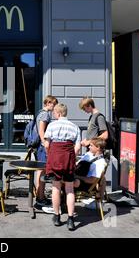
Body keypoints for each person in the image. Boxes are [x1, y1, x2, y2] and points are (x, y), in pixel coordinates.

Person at [43, 103, 81, 231]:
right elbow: (78, 147)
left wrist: (50, 155)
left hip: (55, 158)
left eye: (54, 113)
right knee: (70, 189)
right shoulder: (74, 126)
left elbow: (47, 144)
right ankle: (70, 219)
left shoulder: (52, 126)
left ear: (58, 113)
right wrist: (71, 156)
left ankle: (57, 217)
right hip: (68, 158)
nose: (53, 115)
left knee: (56, 188)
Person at [34, 95, 58, 207]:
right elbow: (41, 131)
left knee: (40, 171)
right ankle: (40, 198)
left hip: (40, 146)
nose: (54, 106)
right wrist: (45, 145)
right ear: (48, 103)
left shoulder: (40, 112)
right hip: (42, 147)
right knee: (42, 171)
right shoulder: (44, 114)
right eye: (54, 104)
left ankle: (40, 196)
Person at [74, 137, 108, 206]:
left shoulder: (100, 162)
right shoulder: (89, 154)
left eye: (91, 145)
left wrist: (77, 176)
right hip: (79, 176)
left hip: (86, 184)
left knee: (67, 182)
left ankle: (62, 205)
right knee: (61, 178)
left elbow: (92, 180)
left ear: (98, 147)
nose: (89, 147)